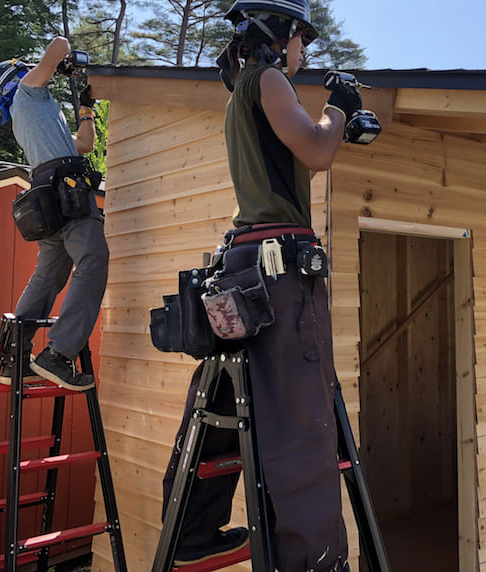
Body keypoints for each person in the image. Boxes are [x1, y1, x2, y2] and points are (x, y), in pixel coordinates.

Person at [161, 0, 363, 570]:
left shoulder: (242, 95)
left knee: (223, 404)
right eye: (304, 40)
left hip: (244, 265)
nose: (305, 52)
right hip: (281, 271)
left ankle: (191, 532)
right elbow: (319, 150)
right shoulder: (270, 79)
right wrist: (341, 110)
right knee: (301, 419)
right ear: (282, 33)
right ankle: (313, 561)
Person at [0, 36, 108, 391]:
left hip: (49, 195)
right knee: (94, 257)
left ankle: (15, 357)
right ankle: (58, 354)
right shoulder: (27, 91)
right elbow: (60, 43)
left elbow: (84, 144)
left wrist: (86, 109)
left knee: (48, 275)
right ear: (16, 77)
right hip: (66, 188)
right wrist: (61, 63)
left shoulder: (32, 116)